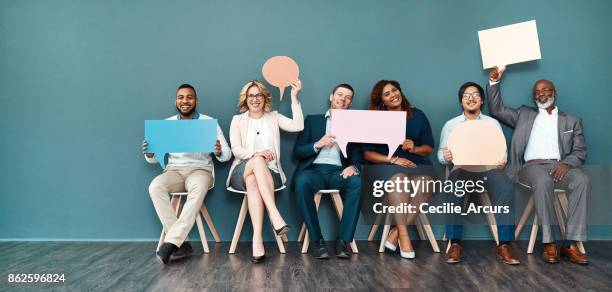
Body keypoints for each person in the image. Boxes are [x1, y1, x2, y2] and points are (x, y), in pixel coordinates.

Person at [488, 67, 589, 265]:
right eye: (536, 92)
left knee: (583, 180)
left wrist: (566, 164)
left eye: (545, 90)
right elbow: (496, 109)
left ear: (554, 93)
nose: (540, 94)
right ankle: (550, 242)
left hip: (561, 166)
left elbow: (580, 151)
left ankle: (570, 243)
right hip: (531, 167)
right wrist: (494, 82)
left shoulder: (572, 120)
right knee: (543, 181)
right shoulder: (523, 114)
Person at [142, 84, 232, 265]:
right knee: (155, 186)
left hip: (201, 170)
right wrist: (150, 153)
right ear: (175, 101)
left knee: (198, 188)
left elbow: (227, 156)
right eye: (181, 97)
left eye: (189, 97)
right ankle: (180, 242)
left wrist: (219, 151)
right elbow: (153, 159)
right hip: (174, 170)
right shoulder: (167, 124)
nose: (185, 101)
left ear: (196, 101)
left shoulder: (208, 122)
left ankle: (172, 242)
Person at [438, 82, 519, 265]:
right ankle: (455, 243)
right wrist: (446, 155)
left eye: (475, 95)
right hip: (462, 169)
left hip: (488, 169)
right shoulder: (451, 125)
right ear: (461, 102)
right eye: (466, 95)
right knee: (453, 185)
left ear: (482, 100)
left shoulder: (492, 123)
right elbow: (440, 156)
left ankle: (504, 243)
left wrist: (501, 161)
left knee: (505, 186)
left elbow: (502, 152)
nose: (471, 98)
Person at [227, 79, 304, 263]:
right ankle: (274, 214)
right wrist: (257, 154)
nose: (255, 99)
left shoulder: (274, 117)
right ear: (245, 99)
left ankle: (257, 239)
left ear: (265, 97)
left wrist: (294, 97)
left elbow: (298, 126)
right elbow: (236, 150)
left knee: (254, 182)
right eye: (251, 96)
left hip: (271, 175)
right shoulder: (237, 120)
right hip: (241, 172)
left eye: (258, 95)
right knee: (257, 160)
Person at [362, 80, 435, 259]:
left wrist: (415, 148)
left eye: (394, 90)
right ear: (381, 101)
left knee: (426, 183)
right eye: (386, 94)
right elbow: (367, 154)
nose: (393, 95)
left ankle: (394, 233)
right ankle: (403, 235)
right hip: (384, 166)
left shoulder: (418, 115)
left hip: (416, 164)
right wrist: (394, 159)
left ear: (400, 92)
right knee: (400, 179)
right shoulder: (375, 120)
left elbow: (429, 147)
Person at [293, 83, 362, 259]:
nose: (343, 99)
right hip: (313, 171)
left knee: (356, 181)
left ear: (350, 103)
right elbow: (297, 152)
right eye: (340, 94)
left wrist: (353, 166)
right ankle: (317, 242)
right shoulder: (312, 120)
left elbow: (356, 154)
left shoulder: (354, 124)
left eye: (348, 97)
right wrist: (318, 144)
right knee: (301, 183)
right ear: (331, 97)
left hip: (339, 172)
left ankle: (343, 241)